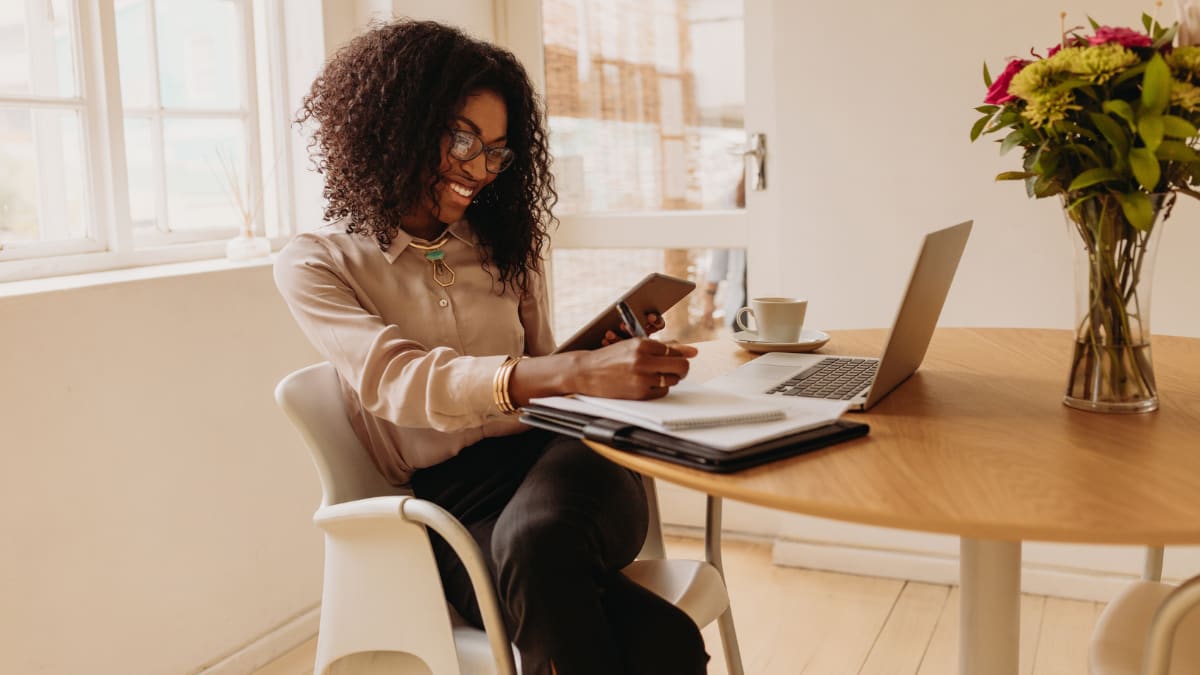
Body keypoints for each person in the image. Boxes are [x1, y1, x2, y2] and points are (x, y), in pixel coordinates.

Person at [274, 19, 708, 675]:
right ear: (395, 127)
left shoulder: (504, 243)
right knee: (655, 638)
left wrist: (591, 363)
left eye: (496, 151)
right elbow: (399, 380)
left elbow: (544, 370)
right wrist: (578, 367)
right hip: (451, 507)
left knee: (539, 541)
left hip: (569, 461)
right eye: (461, 139)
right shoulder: (319, 263)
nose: (479, 170)